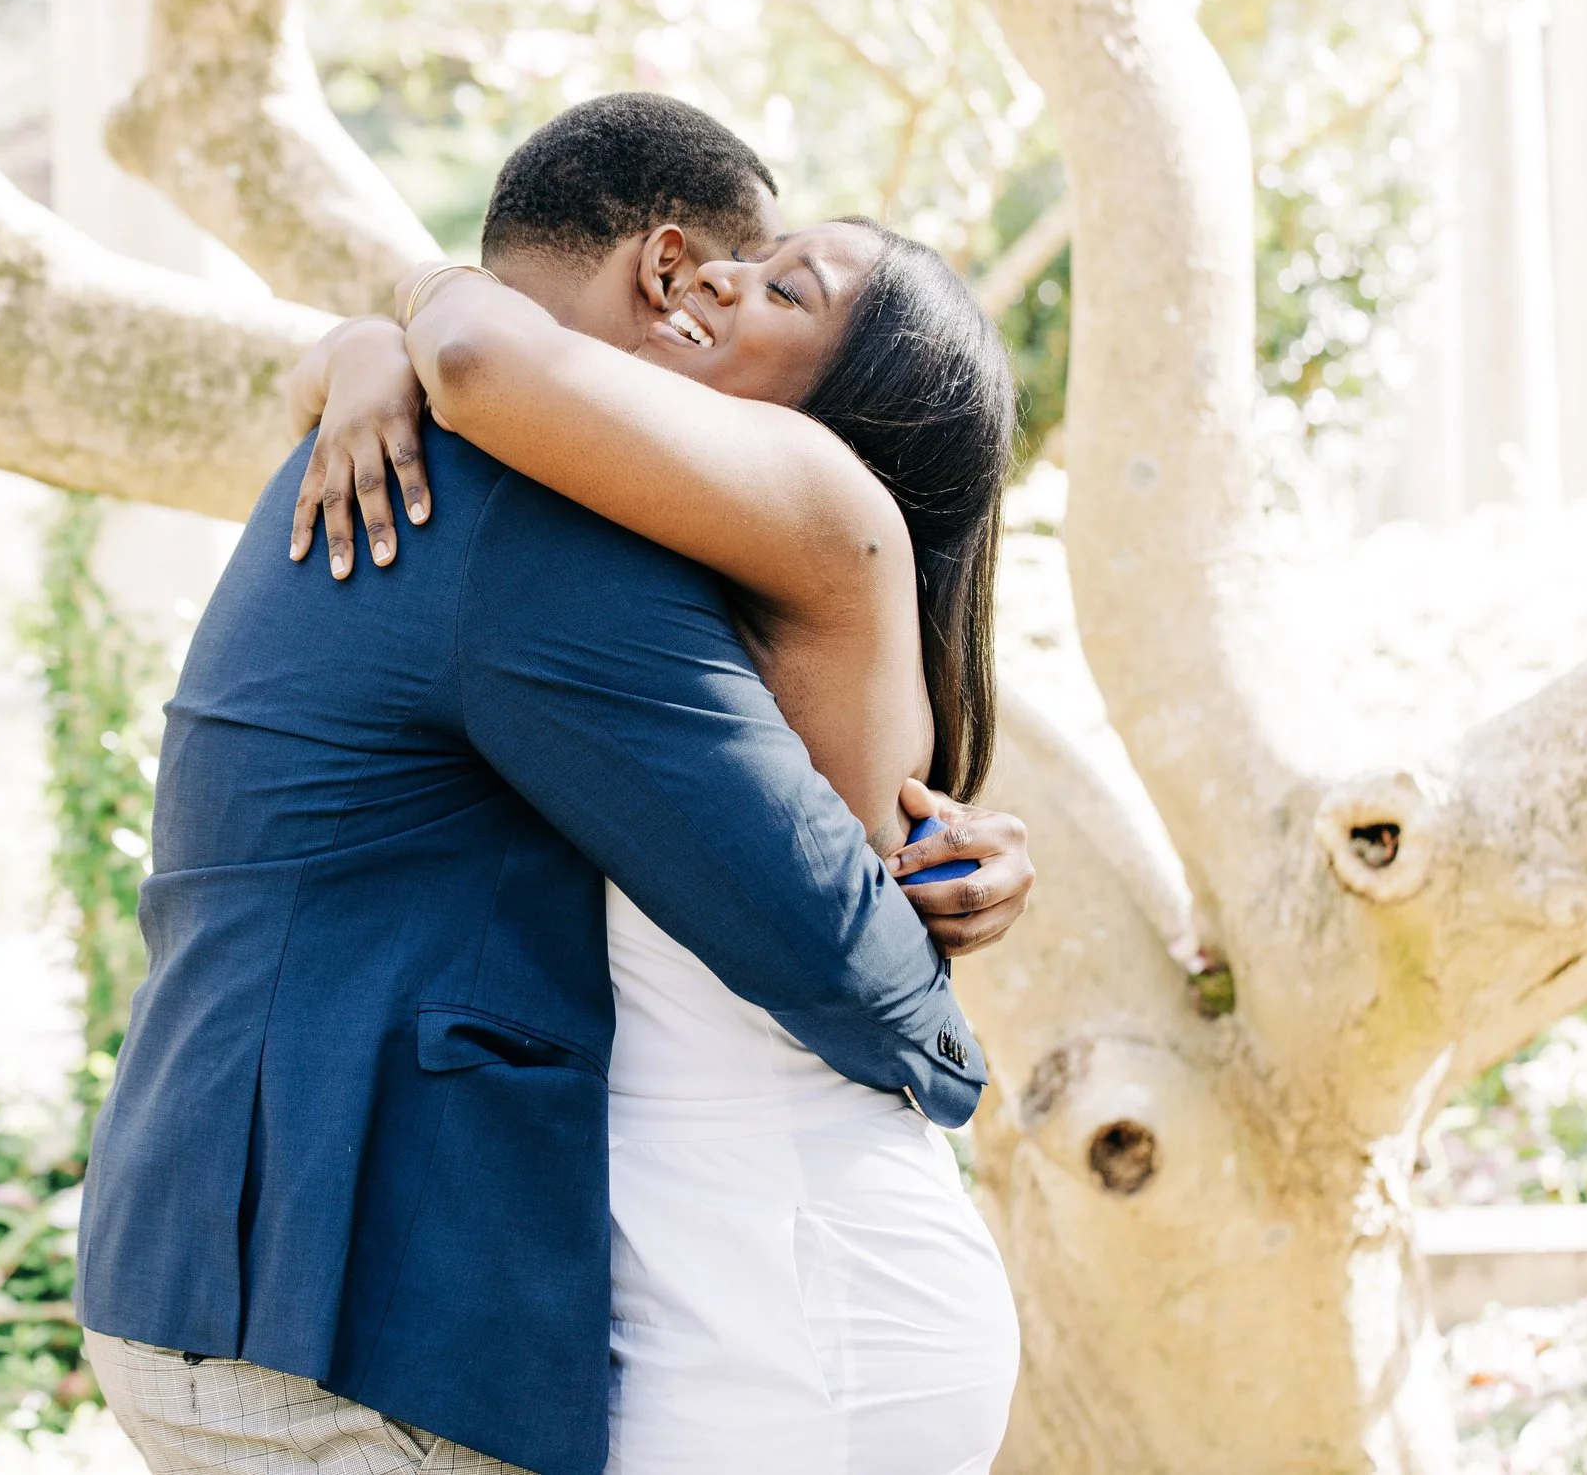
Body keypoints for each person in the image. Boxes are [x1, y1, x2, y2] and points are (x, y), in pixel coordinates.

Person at [74, 92, 1031, 1475]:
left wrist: (935, 973)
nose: (719, 287)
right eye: (731, 262)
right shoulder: (518, 508)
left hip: (792, 1297)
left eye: (781, 288)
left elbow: (831, 937)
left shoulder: (767, 504)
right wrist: (368, 341)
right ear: (655, 267)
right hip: (365, 1317)